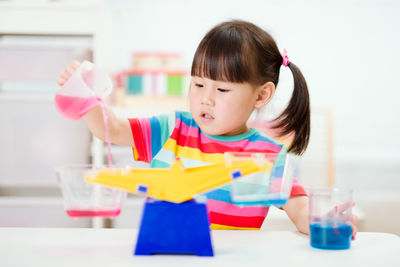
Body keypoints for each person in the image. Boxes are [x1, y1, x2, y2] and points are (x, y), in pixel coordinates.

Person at [58, 20, 356, 238]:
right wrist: (87, 96)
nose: (206, 98)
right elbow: (114, 129)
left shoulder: (268, 156)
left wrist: (322, 220)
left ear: (261, 95)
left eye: (223, 90)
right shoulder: (172, 129)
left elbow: (300, 211)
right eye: (198, 84)